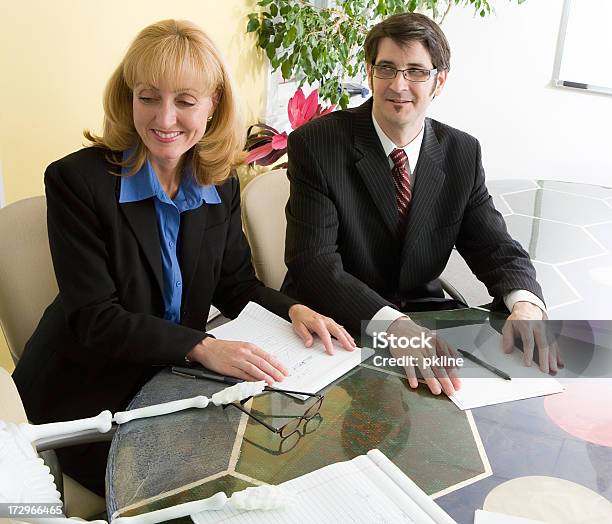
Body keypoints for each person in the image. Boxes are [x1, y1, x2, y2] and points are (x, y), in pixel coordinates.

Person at [12, 19, 354, 495]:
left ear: (213, 106)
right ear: (127, 96)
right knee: (208, 494)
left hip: (173, 382)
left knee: (281, 467)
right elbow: (96, 318)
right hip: (87, 395)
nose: (164, 118)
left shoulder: (220, 180)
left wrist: (293, 309)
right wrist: (203, 347)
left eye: (185, 102)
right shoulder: (76, 182)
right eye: (148, 97)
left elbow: (235, 284)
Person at [283, 13, 558, 398]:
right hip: (332, 324)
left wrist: (527, 306)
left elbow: (495, 247)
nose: (399, 85)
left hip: (420, 315)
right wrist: (393, 326)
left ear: (438, 81)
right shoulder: (317, 145)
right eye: (387, 69)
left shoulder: (461, 152)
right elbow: (312, 264)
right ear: (369, 72)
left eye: (415, 71)